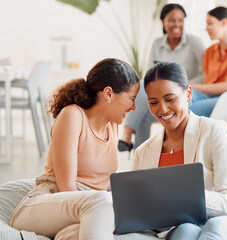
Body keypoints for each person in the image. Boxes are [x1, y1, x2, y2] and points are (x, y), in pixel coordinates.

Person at [133, 62, 227, 240]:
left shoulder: (214, 130)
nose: (162, 109)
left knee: (215, 226)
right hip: (190, 226)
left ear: (188, 93)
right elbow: (146, 215)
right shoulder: (143, 152)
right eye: (153, 102)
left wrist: (181, 199)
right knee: (184, 231)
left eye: (170, 99)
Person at [9, 58, 140, 240]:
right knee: (104, 203)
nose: (134, 107)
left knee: (75, 234)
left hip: (84, 211)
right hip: (46, 203)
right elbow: (66, 187)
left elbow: (102, 183)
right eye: (132, 99)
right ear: (108, 93)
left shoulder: (113, 125)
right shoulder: (73, 115)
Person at [118, 3, 206, 152]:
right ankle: (142, 160)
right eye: (172, 20)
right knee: (143, 106)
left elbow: (206, 74)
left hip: (183, 96)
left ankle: (127, 135)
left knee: (143, 111)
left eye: (181, 20)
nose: (177, 24)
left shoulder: (194, 42)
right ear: (163, 22)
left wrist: (180, 86)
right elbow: (149, 76)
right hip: (162, 96)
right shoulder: (157, 44)